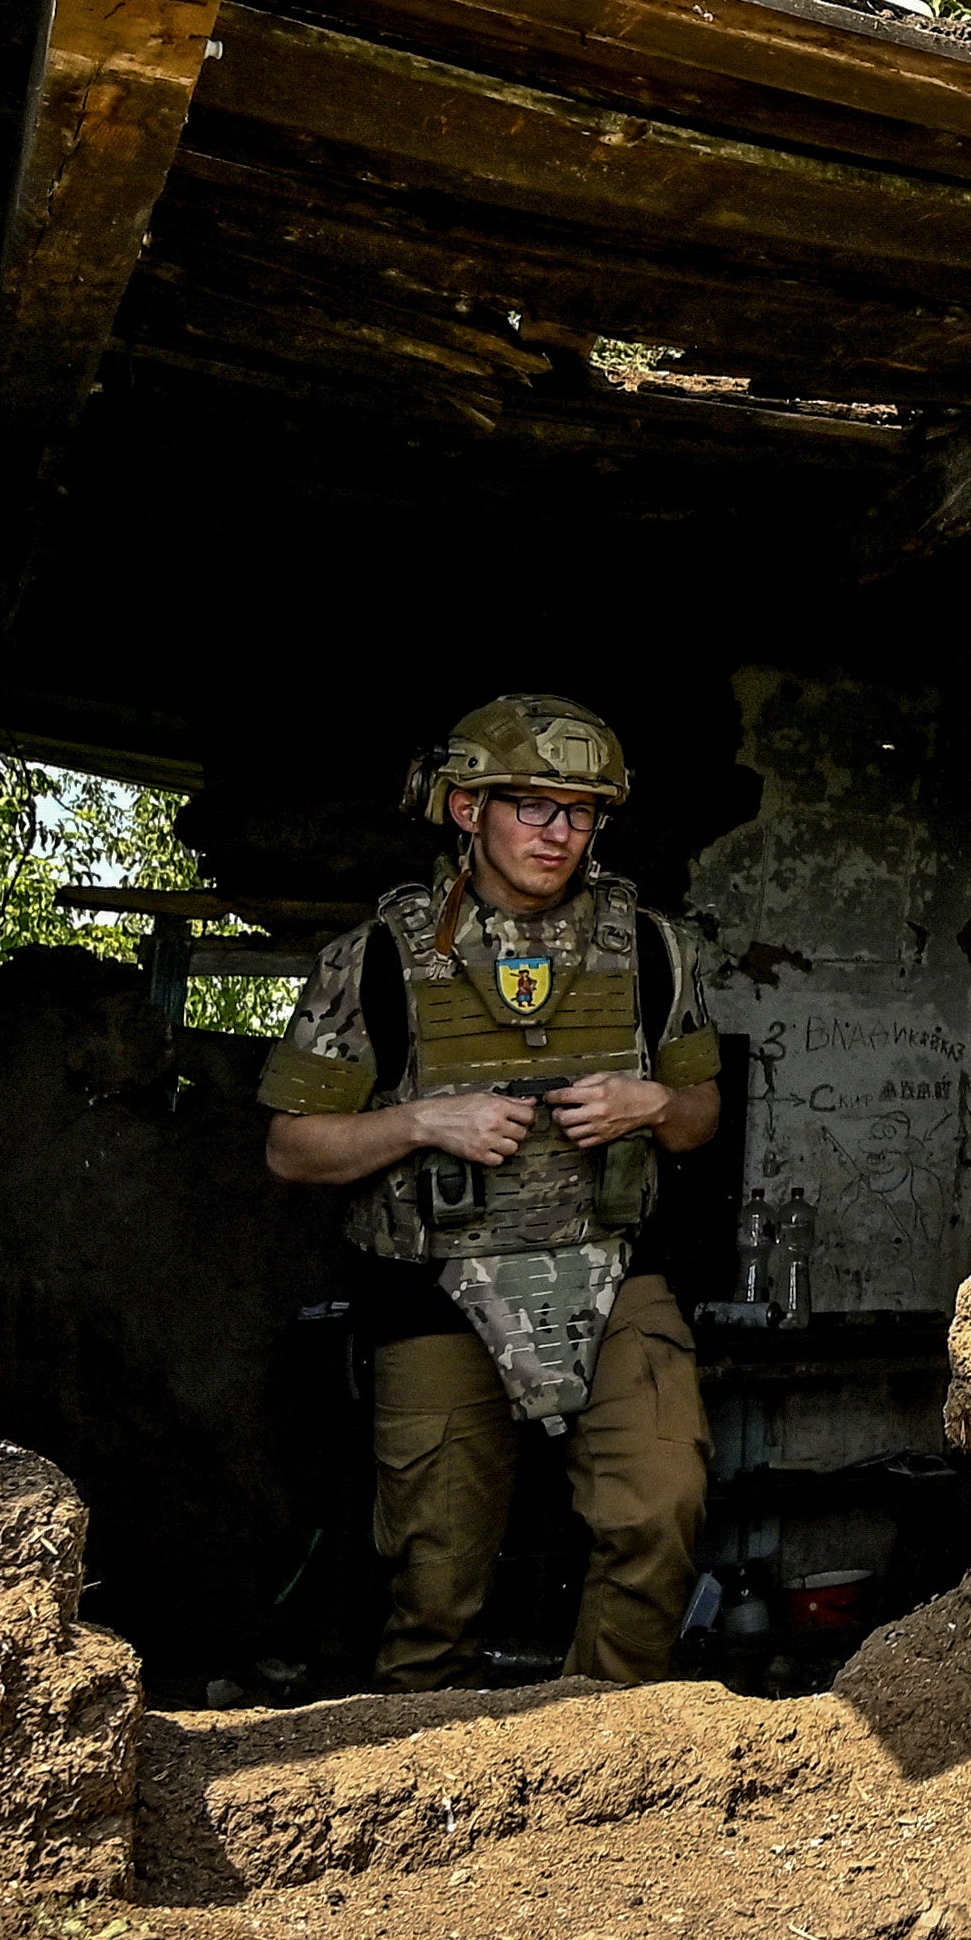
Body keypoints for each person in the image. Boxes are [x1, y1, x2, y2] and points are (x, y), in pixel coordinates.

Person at [258, 692, 726, 1689]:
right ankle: (436, 1786)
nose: (561, 834)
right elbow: (290, 1151)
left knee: (659, 1506)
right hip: (429, 1286)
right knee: (436, 1575)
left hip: (610, 1270)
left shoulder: (652, 948)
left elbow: (702, 1115)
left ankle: (601, 1748)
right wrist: (425, 1120)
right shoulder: (377, 956)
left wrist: (650, 1103)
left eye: (582, 812)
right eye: (533, 807)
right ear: (467, 809)